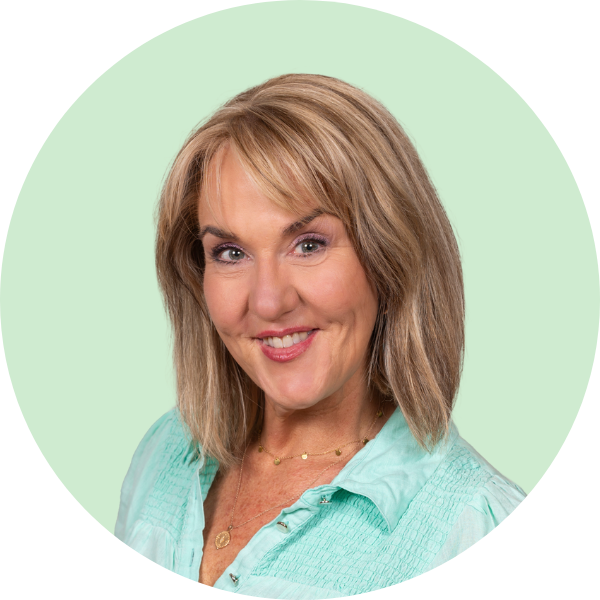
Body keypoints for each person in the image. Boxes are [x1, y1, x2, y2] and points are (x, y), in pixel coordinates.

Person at [115, 74, 525, 597]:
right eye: (231, 253)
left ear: (389, 256)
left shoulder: (478, 528)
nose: (268, 301)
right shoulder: (165, 451)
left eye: (308, 244)